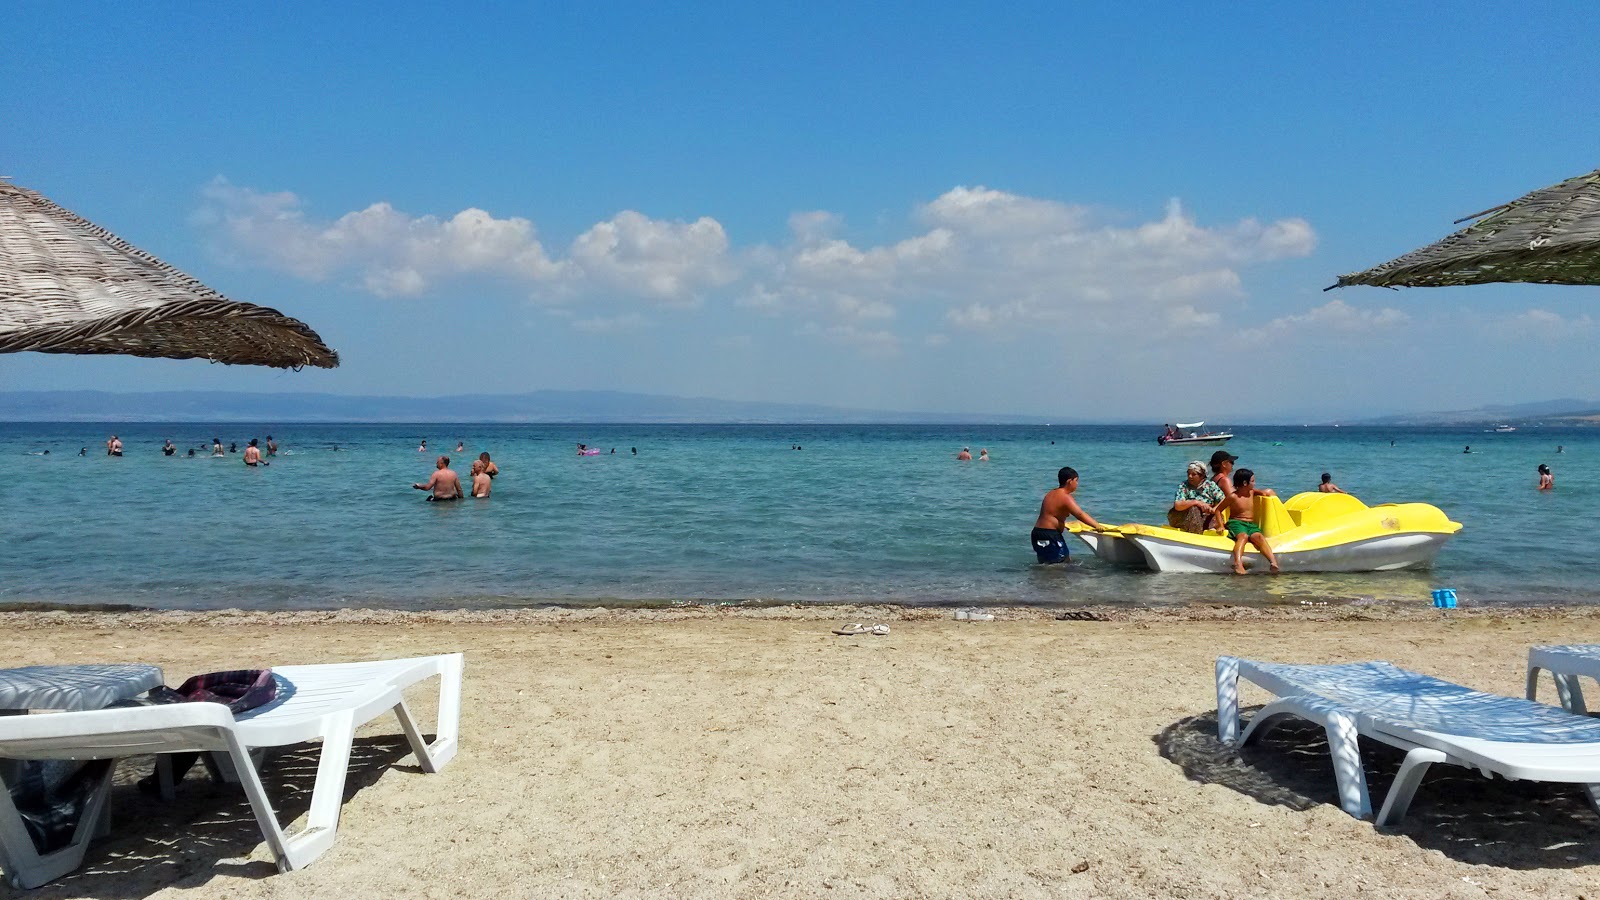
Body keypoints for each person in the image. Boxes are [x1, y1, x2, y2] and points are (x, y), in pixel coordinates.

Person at [1031, 466, 1105, 564]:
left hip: (1037, 533)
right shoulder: (1065, 497)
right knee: (1061, 563)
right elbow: (1080, 514)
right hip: (1049, 535)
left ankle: (1041, 579)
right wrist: (1097, 525)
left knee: (1047, 563)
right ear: (1070, 481)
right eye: (1076, 480)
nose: (1077, 484)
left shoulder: (1051, 493)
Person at [1220, 468, 1279, 575]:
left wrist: (1267, 493)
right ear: (1244, 483)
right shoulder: (1233, 496)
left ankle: (1273, 562)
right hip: (1236, 523)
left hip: (1250, 524)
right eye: (1252, 481)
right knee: (1243, 536)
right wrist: (1221, 526)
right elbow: (1218, 510)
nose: (1254, 483)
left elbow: (1262, 492)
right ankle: (1237, 563)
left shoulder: (1251, 492)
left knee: (1259, 537)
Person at [1169, 460, 1222, 533]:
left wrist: (1214, 509)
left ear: (1202, 476)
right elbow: (1178, 505)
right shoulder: (1184, 486)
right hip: (1184, 517)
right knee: (1194, 509)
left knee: (1217, 516)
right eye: (1188, 474)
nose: (1190, 476)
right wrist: (1196, 502)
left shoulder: (1210, 486)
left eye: (1194, 474)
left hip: (1206, 515)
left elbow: (1224, 500)